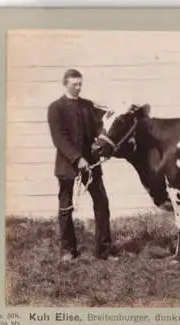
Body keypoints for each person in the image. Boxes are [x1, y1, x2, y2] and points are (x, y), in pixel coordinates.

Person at [47, 68, 118, 262]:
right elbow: (59, 138)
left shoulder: (87, 105)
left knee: (102, 203)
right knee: (65, 207)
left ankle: (104, 251)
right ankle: (68, 251)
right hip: (67, 165)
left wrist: (98, 141)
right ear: (65, 84)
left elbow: (100, 124)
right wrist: (77, 159)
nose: (78, 88)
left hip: (91, 165)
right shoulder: (55, 108)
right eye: (74, 84)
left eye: (80, 84)